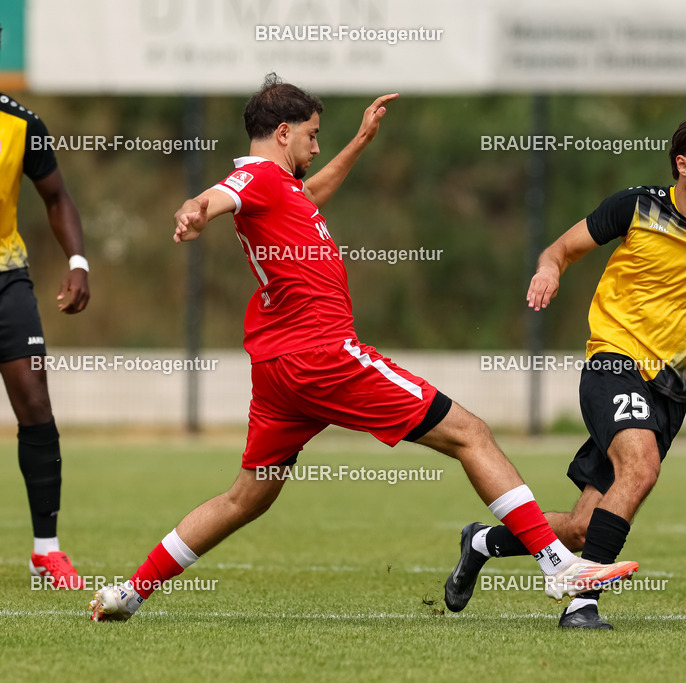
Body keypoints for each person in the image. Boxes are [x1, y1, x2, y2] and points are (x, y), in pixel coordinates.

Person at [89, 75, 637, 622]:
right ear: (283, 132)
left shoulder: (282, 189)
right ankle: (556, 563)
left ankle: (129, 593)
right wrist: (194, 210)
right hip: (322, 356)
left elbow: (310, 190)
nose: (317, 145)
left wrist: (360, 141)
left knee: (246, 498)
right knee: (470, 433)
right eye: (313, 135)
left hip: (279, 369)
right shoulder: (254, 178)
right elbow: (218, 196)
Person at [444, 112, 686, 629]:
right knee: (641, 467)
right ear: (682, 164)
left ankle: (482, 542)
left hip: (673, 391)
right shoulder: (636, 207)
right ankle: (582, 605)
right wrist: (547, 271)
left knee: (581, 528)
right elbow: (559, 250)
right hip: (614, 363)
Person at [0, 76, 90, 588]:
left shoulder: (22, 123)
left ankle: (45, 551)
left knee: (35, 401)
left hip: (6, 277)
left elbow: (56, 197)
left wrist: (77, 262)